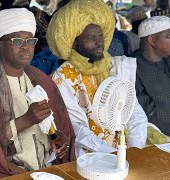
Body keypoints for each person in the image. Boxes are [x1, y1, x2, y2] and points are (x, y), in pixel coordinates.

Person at [0, 8, 76, 178]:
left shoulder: (41, 79)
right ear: (0, 43)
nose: (26, 47)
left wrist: (57, 138)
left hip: (47, 170)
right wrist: (26, 120)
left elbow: (60, 128)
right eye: (18, 41)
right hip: (7, 173)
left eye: (30, 41)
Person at [47, 0, 147, 158]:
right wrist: (113, 154)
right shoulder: (63, 76)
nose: (100, 42)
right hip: (90, 157)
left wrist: (135, 151)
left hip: (124, 150)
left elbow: (134, 110)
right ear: (74, 43)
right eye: (91, 38)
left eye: (100, 36)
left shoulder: (113, 66)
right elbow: (77, 128)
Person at [134, 16, 170, 137]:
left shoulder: (167, 60)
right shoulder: (132, 67)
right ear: (152, 40)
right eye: (169, 37)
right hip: (158, 139)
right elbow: (146, 113)